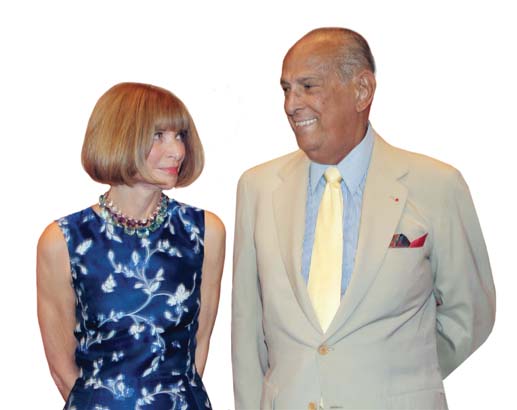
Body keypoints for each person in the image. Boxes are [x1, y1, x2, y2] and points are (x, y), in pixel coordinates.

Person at [232, 27, 495, 409]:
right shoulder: (256, 187)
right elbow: (247, 331)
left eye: (308, 86)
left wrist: (399, 377)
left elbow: (470, 314)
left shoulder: (436, 185)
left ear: (362, 90)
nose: (291, 104)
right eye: (286, 89)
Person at [37, 82, 225, 409]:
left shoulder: (204, 231)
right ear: (119, 137)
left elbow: (199, 346)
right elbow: (62, 368)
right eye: (158, 136)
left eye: (180, 135)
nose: (177, 151)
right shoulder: (63, 240)